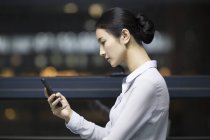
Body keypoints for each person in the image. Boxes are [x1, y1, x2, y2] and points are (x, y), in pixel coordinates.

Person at [45, 7, 170, 140]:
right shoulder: (138, 82)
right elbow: (108, 134)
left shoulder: (147, 83)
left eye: (103, 42)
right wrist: (69, 115)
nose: (101, 52)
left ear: (125, 36)